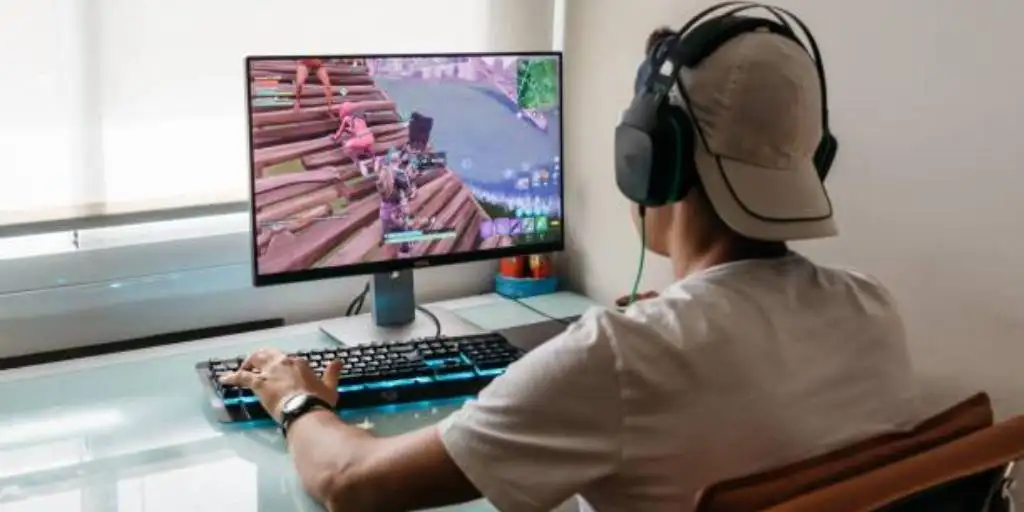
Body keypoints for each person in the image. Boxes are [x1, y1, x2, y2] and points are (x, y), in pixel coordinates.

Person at [219, 8, 921, 512]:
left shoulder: (619, 357)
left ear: (646, 162)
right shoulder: (872, 309)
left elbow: (354, 484)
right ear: (812, 163)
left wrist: (295, 397)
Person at [330, 102, 376, 168]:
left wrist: (335, 137)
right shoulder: (360, 118)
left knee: (346, 147)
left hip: (362, 139)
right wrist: (347, 131)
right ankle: (374, 158)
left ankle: (356, 162)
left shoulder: (346, 119)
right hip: (370, 138)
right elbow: (357, 131)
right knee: (365, 145)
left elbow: (340, 132)